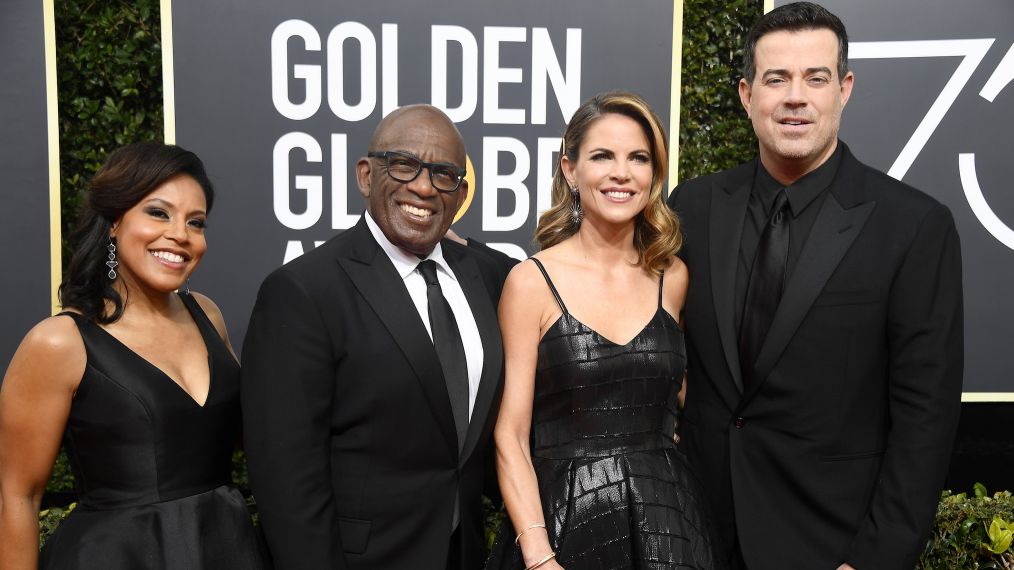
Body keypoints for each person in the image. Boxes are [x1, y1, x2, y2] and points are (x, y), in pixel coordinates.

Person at [667, 3, 963, 569]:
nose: (795, 97)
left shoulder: (913, 226)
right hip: (698, 540)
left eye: (816, 78)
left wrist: (872, 561)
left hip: (830, 547)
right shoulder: (695, 207)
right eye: (776, 78)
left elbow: (925, 421)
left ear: (844, 89)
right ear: (747, 95)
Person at [241, 104, 513, 570]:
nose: (424, 187)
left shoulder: (491, 277)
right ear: (366, 175)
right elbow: (286, 481)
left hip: (464, 554)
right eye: (404, 165)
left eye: (444, 174)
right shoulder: (303, 290)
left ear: (461, 193)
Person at [486, 91, 724, 570]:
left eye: (638, 158)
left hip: (669, 524)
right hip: (565, 524)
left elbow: (689, 398)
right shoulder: (531, 282)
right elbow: (510, 435)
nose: (622, 173)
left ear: (653, 175)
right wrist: (537, 554)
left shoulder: (672, 276)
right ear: (570, 170)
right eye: (602, 156)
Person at [0, 142, 266, 569]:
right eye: (158, 213)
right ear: (113, 221)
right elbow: (18, 496)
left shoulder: (207, 314)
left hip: (224, 549)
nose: (180, 234)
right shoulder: (60, 342)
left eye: (195, 222)